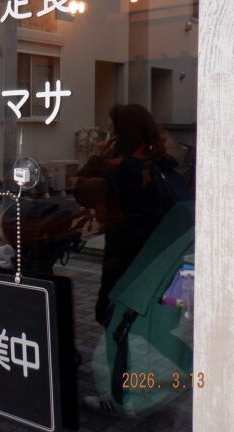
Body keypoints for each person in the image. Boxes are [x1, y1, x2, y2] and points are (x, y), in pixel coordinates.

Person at [76, 103, 184, 326]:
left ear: (121, 135)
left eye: (111, 130)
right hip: (158, 262)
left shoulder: (122, 169)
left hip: (123, 261)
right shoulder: (160, 164)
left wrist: (98, 160)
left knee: (113, 318)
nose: (107, 136)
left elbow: (81, 192)